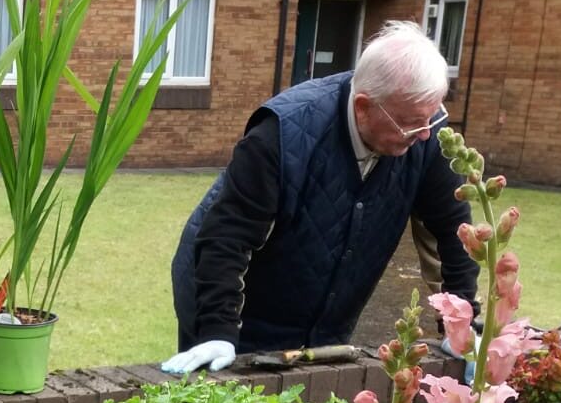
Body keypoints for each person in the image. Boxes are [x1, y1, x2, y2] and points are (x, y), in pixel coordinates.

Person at [164, 20, 479, 375]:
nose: (424, 134)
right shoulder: (281, 135)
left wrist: (460, 324)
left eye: (432, 117)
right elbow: (226, 238)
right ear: (363, 107)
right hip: (223, 289)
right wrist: (216, 330)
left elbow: (455, 230)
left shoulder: (424, 132)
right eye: (410, 124)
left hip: (324, 295)